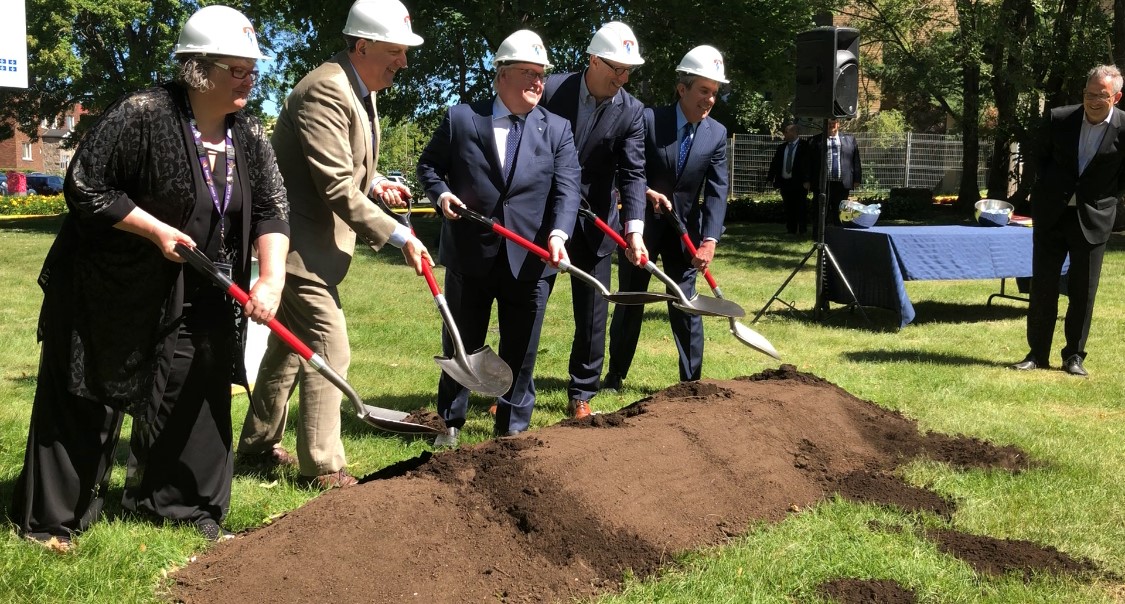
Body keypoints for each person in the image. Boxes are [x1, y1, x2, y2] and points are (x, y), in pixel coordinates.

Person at [10, 5, 289, 547]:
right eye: (237, 69)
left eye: (253, 69)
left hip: (199, 284)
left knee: (197, 387)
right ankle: (53, 520)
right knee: (88, 391)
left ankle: (181, 506)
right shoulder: (143, 113)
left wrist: (271, 277)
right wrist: (155, 230)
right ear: (197, 69)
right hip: (110, 285)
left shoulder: (248, 133)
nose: (249, 80)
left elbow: (274, 207)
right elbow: (86, 186)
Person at [237, 0, 431, 488]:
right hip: (293, 246)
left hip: (310, 244)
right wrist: (398, 233)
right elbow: (335, 187)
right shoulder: (326, 88)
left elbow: (344, 168)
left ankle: (257, 446)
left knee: (287, 349)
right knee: (328, 342)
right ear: (362, 45)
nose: (402, 62)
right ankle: (322, 467)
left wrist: (377, 180)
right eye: (394, 51)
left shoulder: (359, 88)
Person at [417, 30, 581, 447]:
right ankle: (449, 425)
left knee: (521, 351)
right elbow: (430, 167)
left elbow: (568, 189)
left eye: (541, 74)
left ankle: (512, 431)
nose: (537, 82)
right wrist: (442, 196)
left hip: (531, 260)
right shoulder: (462, 119)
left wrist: (559, 234)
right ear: (501, 75)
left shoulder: (557, 129)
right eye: (527, 73)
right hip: (470, 256)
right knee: (461, 344)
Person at [603, 45, 730, 389]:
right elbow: (628, 169)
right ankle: (615, 376)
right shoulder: (647, 120)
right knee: (631, 300)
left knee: (686, 305)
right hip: (641, 229)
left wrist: (709, 241)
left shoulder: (716, 134)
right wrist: (644, 192)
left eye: (714, 93)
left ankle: (691, 382)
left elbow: (718, 191)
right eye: (704, 90)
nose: (709, 100)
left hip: (684, 234)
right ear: (682, 88)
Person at [540, 22, 649, 419]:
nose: (622, 79)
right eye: (615, 69)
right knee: (529, 305)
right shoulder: (550, 91)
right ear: (592, 59)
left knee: (593, 314)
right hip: (544, 219)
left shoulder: (632, 112)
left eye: (628, 72)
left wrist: (633, 229)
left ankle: (582, 393)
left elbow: (634, 173)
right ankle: (512, 389)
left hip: (596, 224)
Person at [1010, 64, 1125, 377]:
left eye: (1101, 95)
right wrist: (1046, 194)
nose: (1093, 100)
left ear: (1116, 96)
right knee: (1043, 287)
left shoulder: (1124, 128)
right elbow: (1040, 159)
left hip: (1094, 218)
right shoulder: (1059, 118)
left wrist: (1106, 201)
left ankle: (1073, 356)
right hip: (1052, 216)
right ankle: (1036, 354)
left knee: (1082, 292)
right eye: (1089, 94)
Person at [805, 118, 861, 237]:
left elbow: (855, 160)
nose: (831, 125)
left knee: (840, 211)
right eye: (829, 123)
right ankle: (818, 236)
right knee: (820, 211)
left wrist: (857, 178)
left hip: (842, 183)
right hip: (822, 183)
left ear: (838, 124)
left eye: (834, 123)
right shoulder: (814, 140)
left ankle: (840, 236)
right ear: (825, 125)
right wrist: (807, 179)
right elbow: (808, 162)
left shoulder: (850, 140)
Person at [767, 124, 811, 235]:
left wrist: (807, 180)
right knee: (788, 206)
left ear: (794, 132)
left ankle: (802, 230)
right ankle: (791, 229)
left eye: (786, 132)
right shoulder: (782, 147)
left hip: (800, 183)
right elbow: (775, 164)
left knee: (800, 206)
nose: (784, 134)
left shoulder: (805, 146)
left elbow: (808, 165)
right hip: (785, 182)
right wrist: (770, 178)